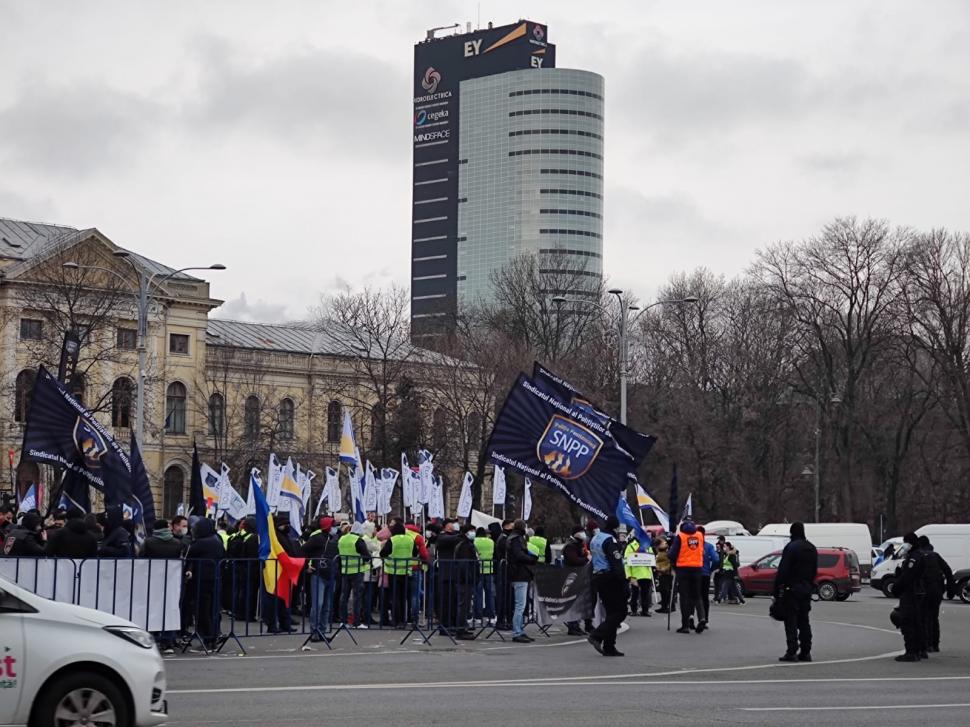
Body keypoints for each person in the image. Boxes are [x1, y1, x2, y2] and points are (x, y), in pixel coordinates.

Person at [774, 522, 818, 662]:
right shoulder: (811, 548)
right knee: (804, 620)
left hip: (791, 589)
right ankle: (806, 651)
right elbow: (814, 570)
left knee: (791, 621)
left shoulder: (791, 547)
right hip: (806, 589)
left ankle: (792, 650)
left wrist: (777, 589)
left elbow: (783, 570)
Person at [587, 516, 627, 656]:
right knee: (620, 612)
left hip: (598, 576)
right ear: (615, 527)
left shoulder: (595, 538)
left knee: (611, 612)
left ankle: (609, 646)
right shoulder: (610, 540)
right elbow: (616, 562)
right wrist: (623, 582)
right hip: (611, 578)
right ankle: (597, 635)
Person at [185, 518, 226, 649]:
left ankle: (207, 637)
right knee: (213, 609)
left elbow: (189, 556)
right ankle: (214, 635)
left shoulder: (200, 543)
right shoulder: (217, 540)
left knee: (203, 610)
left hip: (202, 580)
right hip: (216, 578)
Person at [303, 516, 340, 640]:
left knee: (327, 606)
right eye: (333, 525)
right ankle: (314, 631)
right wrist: (305, 566)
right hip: (318, 575)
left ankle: (322, 632)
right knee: (318, 604)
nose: (336, 527)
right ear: (328, 527)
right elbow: (302, 551)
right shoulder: (316, 538)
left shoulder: (334, 539)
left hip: (331, 575)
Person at [917, 535, 955, 654]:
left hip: (925, 590)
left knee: (924, 617)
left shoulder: (920, 556)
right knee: (934, 617)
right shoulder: (936, 556)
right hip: (937, 590)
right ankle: (935, 644)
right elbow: (948, 571)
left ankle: (927, 644)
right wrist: (950, 590)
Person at [893, 532, 927, 661]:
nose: (904, 545)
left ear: (910, 543)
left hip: (911, 593)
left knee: (907, 621)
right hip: (916, 592)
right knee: (917, 622)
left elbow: (908, 576)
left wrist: (897, 587)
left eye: (905, 542)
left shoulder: (914, 558)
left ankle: (911, 652)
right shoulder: (917, 555)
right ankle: (919, 650)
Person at [668, 519, 706, 633]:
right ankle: (702, 618)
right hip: (697, 568)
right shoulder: (699, 535)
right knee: (697, 596)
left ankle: (685, 625)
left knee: (684, 597)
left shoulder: (680, 537)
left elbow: (672, 554)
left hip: (683, 569)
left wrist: (673, 560)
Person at [382, 521, 419, 628]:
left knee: (395, 598)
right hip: (406, 572)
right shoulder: (410, 539)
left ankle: (396, 620)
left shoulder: (392, 540)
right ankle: (403, 620)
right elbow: (415, 553)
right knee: (404, 598)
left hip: (393, 572)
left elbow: (383, 553)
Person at [506, 519, 538, 643]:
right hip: (519, 574)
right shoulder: (516, 539)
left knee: (520, 605)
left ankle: (520, 630)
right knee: (520, 605)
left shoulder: (513, 538)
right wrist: (531, 559)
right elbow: (519, 556)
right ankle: (517, 632)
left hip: (518, 573)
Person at [337, 522, 371, 628]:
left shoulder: (342, 539)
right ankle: (356, 622)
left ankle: (343, 621)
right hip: (357, 571)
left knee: (344, 597)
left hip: (345, 570)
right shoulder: (358, 540)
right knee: (357, 597)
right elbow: (366, 556)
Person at [561, 524, 589, 636]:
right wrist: (586, 559)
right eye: (581, 532)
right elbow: (575, 560)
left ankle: (576, 625)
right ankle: (572, 626)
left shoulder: (579, 545)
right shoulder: (570, 546)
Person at [452, 523, 479, 639]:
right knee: (463, 604)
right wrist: (469, 578)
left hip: (465, 579)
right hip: (464, 580)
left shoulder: (466, 544)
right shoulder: (464, 545)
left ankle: (463, 627)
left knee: (465, 604)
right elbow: (464, 564)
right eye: (472, 531)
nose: (474, 533)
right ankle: (461, 629)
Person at [625, 533, 654, 617]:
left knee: (645, 594)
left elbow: (651, 558)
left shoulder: (648, 546)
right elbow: (626, 562)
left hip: (646, 574)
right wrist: (629, 576)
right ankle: (634, 610)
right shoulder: (630, 547)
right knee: (635, 593)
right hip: (635, 574)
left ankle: (645, 610)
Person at [473, 526, 496, 625]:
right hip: (489, 570)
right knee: (490, 595)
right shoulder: (491, 541)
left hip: (478, 571)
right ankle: (491, 616)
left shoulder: (474, 541)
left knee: (478, 595)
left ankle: (478, 616)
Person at [697, 525, 719, 624]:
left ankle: (692, 618)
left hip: (694, 573)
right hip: (705, 574)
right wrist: (711, 569)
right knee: (705, 597)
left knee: (695, 597)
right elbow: (716, 559)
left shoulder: (693, 546)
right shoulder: (709, 546)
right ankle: (705, 618)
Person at [654, 535, 674, 614]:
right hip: (661, 572)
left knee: (667, 590)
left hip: (667, 573)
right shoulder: (659, 551)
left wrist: (665, 569)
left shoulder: (669, 550)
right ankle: (664, 606)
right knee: (662, 590)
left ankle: (670, 606)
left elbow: (671, 562)